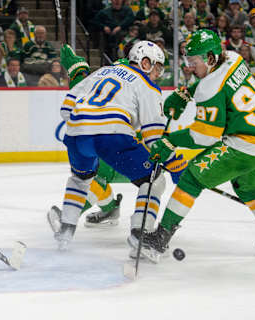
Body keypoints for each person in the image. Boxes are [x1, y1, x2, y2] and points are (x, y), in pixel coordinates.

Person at [135, 29, 255, 262]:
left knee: (191, 179)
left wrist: (170, 140)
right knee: (247, 187)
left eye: (194, 61)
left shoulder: (210, 87)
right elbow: (216, 85)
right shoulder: (232, 57)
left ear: (210, 58)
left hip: (246, 145)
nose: (190, 67)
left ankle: (160, 240)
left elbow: (204, 137)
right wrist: (186, 93)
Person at [48, 41, 169, 251]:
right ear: (145, 62)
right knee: (154, 179)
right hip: (112, 138)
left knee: (80, 179)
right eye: (157, 67)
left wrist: (87, 122)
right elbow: (154, 137)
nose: (158, 73)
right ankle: (142, 236)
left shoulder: (105, 71)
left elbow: (66, 109)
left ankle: (65, 231)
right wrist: (170, 159)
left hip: (77, 135)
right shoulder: (147, 84)